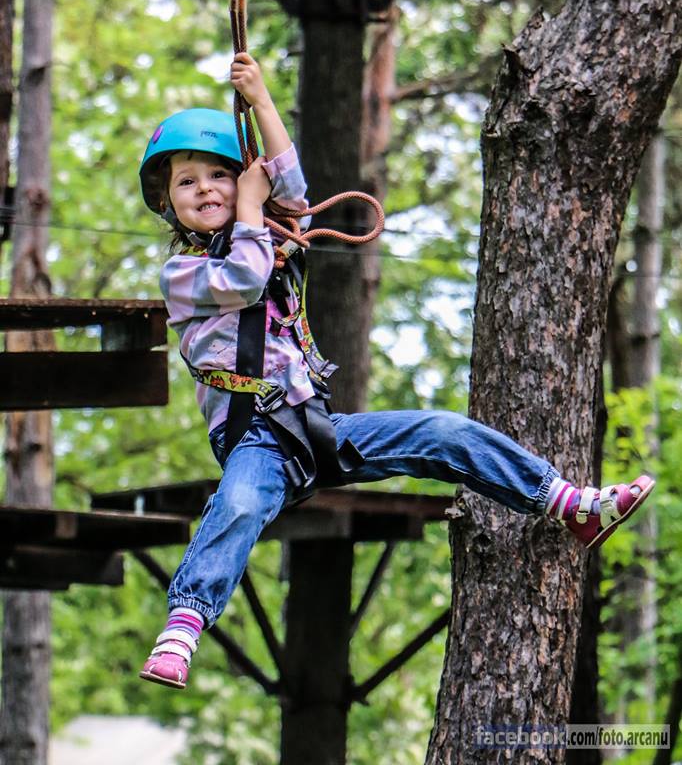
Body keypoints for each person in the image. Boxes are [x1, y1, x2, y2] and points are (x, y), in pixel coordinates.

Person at [137, 51, 655, 690]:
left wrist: (262, 101)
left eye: (220, 175)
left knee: (443, 433)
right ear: (168, 202)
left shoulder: (266, 234)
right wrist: (249, 203)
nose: (207, 189)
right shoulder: (184, 274)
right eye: (187, 183)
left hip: (313, 429)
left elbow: (291, 191)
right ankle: (183, 626)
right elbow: (243, 278)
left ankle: (567, 503)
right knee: (240, 504)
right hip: (256, 440)